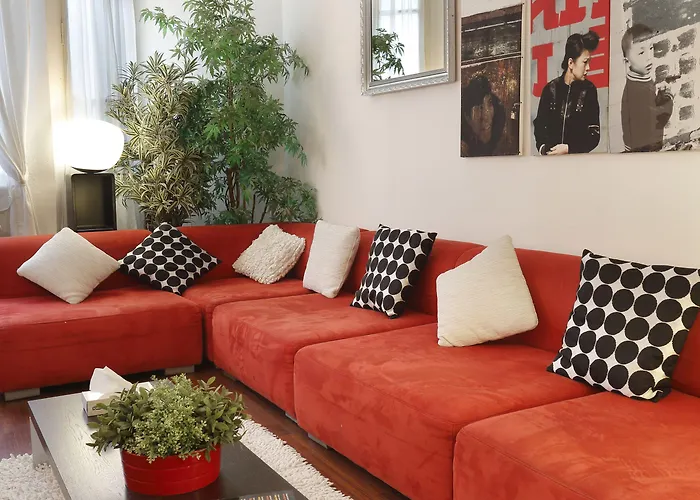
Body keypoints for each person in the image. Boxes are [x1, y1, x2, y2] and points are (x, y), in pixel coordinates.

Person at [534, 31, 601, 155]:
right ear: (570, 63)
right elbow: (539, 125)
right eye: (585, 62)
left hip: (577, 162)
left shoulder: (589, 90)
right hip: (551, 161)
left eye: (589, 62)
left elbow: (594, 135)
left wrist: (569, 148)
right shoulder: (550, 89)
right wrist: (543, 148)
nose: (588, 68)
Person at [620, 24, 674, 152]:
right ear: (627, 61)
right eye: (641, 52)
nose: (649, 57)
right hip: (644, 148)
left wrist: (659, 95)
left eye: (651, 48)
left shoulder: (641, 79)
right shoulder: (637, 89)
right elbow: (658, 118)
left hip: (643, 144)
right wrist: (668, 97)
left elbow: (649, 109)